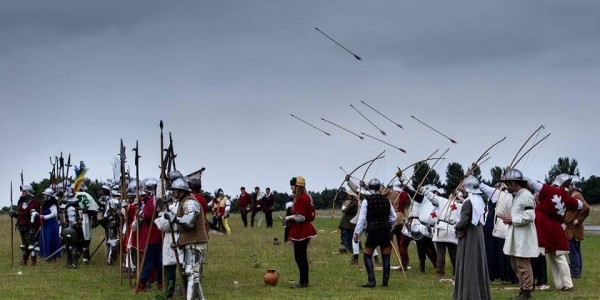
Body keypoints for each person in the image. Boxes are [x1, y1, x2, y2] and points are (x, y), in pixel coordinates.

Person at [525, 173, 584, 291]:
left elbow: (531, 182)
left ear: (557, 181)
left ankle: (568, 284)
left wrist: (517, 175)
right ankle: (560, 285)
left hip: (549, 229)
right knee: (553, 256)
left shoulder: (548, 189)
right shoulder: (567, 197)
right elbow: (580, 205)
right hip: (555, 228)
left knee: (559, 256)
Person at [164, 178, 209, 299]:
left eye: (175, 191)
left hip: (196, 242)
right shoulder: (183, 202)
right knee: (191, 275)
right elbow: (184, 229)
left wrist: (174, 218)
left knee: (191, 274)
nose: (173, 193)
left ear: (181, 191)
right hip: (190, 243)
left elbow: (189, 222)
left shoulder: (190, 202)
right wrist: (178, 242)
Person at [499, 169, 538, 300]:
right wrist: (510, 219)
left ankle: (527, 292)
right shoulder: (518, 195)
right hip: (517, 235)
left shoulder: (526, 195)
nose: (506, 186)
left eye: (507, 183)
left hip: (523, 236)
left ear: (514, 183)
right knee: (516, 265)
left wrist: (512, 220)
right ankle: (522, 290)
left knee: (523, 265)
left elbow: (530, 216)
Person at [353, 178, 397, 287]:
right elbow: (394, 217)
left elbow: (362, 219)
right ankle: (385, 282)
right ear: (378, 187)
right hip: (385, 233)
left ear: (370, 188)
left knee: (367, 255)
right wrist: (389, 226)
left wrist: (357, 232)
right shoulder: (386, 200)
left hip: (373, 233)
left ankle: (371, 281)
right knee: (386, 256)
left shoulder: (366, 200)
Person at [453, 175, 491, 300]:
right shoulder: (479, 200)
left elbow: (464, 221)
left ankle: (469, 295)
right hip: (478, 233)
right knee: (477, 262)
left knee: (469, 263)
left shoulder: (468, 202)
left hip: (470, 234)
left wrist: (456, 226)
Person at [479, 182, 516, 283]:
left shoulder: (496, 193)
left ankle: (494, 274)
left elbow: (481, 186)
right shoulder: (511, 195)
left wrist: (470, 176)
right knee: (502, 250)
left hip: (496, 222)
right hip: (503, 222)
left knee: (492, 249)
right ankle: (503, 274)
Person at [285, 176, 317, 288]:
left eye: (292, 186)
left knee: (300, 257)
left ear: (297, 186)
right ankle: (304, 281)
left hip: (302, 230)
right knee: (301, 257)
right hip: (304, 229)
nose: (291, 188)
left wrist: (289, 218)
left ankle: (303, 282)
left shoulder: (302, 198)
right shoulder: (306, 197)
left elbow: (301, 217)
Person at [425, 187, 461, 278]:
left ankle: (440, 272)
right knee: (453, 253)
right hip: (452, 229)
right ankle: (456, 272)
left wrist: (422, 189)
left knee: (441, 252)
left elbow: (431, 196)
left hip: (441, 228)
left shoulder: (443, 201)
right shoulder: (462, 206)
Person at [136, 178, 163, 292]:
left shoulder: (153, 201)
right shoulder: (154, 200)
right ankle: (161, 284)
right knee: (158, 262)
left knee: (148, 263)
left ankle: (141, 285)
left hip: (151, 236)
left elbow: (148, 216)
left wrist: (139, 213)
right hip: (156, 235)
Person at [9, 185, 41, 265]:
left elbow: (35, 214)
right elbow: (21, 215)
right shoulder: (22, 201)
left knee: (31, 245)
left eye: (23, 191)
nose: (22, 193)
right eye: (22, 191)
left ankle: (33, 262)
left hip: (29, 227)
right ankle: (24, 261)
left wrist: (32, 226)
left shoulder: (32, 201)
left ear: (28, 192)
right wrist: (13, 214)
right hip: (21, 226)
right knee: (24, 245)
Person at [565, 176, 589, 279]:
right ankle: (577, 271)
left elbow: (586, 207)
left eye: (570, 185)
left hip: (573, 228)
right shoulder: (576, 194)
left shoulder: (576, 195)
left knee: (573, 251)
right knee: (576, 251)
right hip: (572, 228)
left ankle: (575, 272)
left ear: (573, 186)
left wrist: (578, 220)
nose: (569, 187)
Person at [387, 179, 411, 271]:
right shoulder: (405, 194)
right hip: (401, 218)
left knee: (388, 242)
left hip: (392, 219)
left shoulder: (391, 193)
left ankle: (387, 261)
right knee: (401, 243)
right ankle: (405, 262)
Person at [38, 188, 62, 259]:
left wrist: (44, 217)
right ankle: (45, 254)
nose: (44, 196)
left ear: (49, 196)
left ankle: (52, 255)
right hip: (46, 224)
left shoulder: (53, 204)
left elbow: (54, 214)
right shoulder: (46, 203)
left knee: (51, 238)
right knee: (45, 238)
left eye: (45, 195)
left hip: (51, 224)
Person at [338, 189, 359, 259]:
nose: (348, 195)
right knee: (345, 236)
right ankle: (345, 249)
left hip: (350, 222)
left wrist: (345, 208)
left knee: (349, 236)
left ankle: (348, 249)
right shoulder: (351, 202)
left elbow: (346, 210)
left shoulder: (355, 202)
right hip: (346, 222)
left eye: (349, 194)